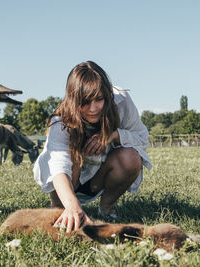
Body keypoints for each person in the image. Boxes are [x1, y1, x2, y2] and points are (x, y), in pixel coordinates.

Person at [33, 61, 151, 233]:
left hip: (98, 177)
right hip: (68, 180)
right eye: (86, 102)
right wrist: (72, 205)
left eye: (99, 99)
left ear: (107, 95)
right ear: (73, 100)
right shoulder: (60, 120)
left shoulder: (122, 101)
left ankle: (107, 208)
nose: (94, 108)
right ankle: (60, 208)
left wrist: (114, 135)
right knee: (69, 156)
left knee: (131, 157)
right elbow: (58, 165)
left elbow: (142, 138)